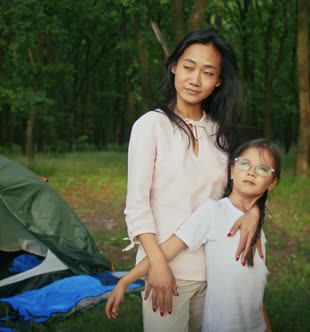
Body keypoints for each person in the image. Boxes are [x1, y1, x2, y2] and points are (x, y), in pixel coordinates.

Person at [123, 28, 260, 331]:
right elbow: (136, 206)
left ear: (219, 80)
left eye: (208, 72)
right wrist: (157, 263)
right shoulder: (151, 126)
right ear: (174, 66)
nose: (195, 79)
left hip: (219, 270)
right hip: (166, 271)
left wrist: (255, 212)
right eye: (188, 67)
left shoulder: (223, 133)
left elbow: (241, 193)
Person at [109, 138, 281, 332]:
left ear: (272, 182)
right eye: (244, 163)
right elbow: (167, 249)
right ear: (232, 171)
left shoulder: (257, 225)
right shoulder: (212, 212)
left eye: (262, 169)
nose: (251, 171)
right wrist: (125, 281)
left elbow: (254, 289)